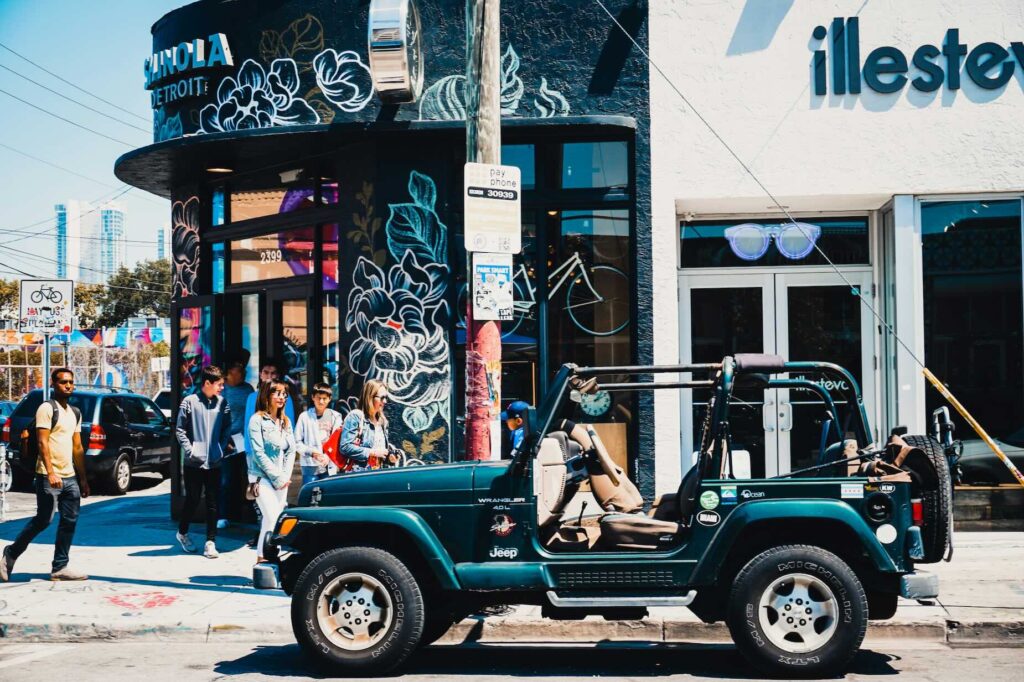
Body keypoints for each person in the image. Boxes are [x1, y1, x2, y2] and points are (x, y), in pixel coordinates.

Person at [1, 368, 90, 582]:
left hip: (70, 477)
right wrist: (50, 472)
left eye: (70, 382)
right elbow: (42, 443)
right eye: (63, 382)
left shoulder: (75, 412)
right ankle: (10, 554)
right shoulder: (46, 408)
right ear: (53, 384)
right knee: (43, 520)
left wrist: (83, 478)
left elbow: (77, 447)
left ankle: (60, 566)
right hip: (48, 475)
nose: (68, 385)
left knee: (70, 520)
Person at [175, 364, 232, 559]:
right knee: (192, 499)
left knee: (212, 501)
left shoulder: (223, 403)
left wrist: (220, 448)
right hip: (193, 462)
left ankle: (210, 542)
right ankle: (182, 533)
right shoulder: (189, 402)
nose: (222, 388)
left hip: (214, 461)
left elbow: (226, 428)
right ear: (207, 383)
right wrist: (191, 451)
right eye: (219, 384)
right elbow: (179, 429)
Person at [247, 378, 297, 562]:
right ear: (267, 395)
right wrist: (277, 478)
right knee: (274, 518)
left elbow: (291, 450)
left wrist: (285, 476)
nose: (282, 397)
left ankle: (262, 559)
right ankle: (268, 556)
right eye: (277, 393)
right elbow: (258, 453)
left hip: (282, 479)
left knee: (270, 521)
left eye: (284, 394)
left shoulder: (286, 421)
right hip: (262, 478)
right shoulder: (257, 420)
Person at [218, 358, 254, 528]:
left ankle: (251, 512)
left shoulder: (248, 389)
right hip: (228, 441)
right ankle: (223, 514)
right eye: (239, 369)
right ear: (229, 372)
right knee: (226, 479)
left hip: (245, 440)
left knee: (249, 476)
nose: (243, 372)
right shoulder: (222, 389)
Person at [338, 379, 398, 471]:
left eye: (386, 397)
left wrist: (390, 458)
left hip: (377, 475)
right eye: (382, 398)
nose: (385, 401)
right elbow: (345, 447)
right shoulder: (356, 416)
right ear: (370, 397)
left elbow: (379, 454)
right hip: (359, 476)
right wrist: (372, 452)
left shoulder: (382, 421)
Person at [294, 382, 343, 486]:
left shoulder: (335, 417)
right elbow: (296, 441)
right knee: (310, 494)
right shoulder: (304, 417)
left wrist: (328, 456)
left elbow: (338, 441)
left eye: (324, 398)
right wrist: (312, 453)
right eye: (318, 398)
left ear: (330, 398)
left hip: (329, 465)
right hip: (310, 466)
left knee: (328, 497)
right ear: (313, 397)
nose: (321, 401)